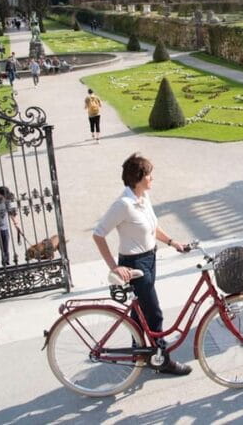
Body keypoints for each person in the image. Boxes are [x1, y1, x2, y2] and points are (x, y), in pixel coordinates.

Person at [92, 153, 192, 376]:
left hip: (149, 259)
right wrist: (114, 267)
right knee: (154, 313)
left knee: (140, 313)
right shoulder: (123, 205)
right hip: (133, 264)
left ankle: (139, 353)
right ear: (138, 178)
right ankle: (162, 361)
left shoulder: (143, 198)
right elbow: (98, 234)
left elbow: (152, 227)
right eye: (149, 174)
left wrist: (173, 242)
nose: (152, 178)